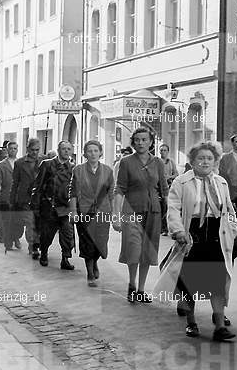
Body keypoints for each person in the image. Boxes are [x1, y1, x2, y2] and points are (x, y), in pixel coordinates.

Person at [166, 141, 237, 340]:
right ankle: (191, 322)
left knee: (218, 281)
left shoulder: (221, 182)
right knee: (190, 282)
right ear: (192, 161)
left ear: (215, 161)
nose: (205, 162)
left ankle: (220, 326)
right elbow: (173, 209)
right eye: (201, 158)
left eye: (209, 158)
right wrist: (179, 231)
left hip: (216, 236)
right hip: (192, 236)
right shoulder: (181, 182)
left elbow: (230, 210)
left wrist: (232, 229)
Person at [113, 128, 168, 302]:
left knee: (147, 251)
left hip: (153, 211)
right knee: (134, 249)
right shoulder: (126, 162)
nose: (141, 143)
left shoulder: (158, 162)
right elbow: (119, 189)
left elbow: (164, 189)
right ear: (133, 142)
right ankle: (132, 285)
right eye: (137, 140)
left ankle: (141, 290)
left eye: (144, 140)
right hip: (131, 211)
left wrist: (172, 213)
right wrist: (116, 216)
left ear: (151, 142)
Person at [68, 141, 114, 287]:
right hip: (84, 212)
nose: (93, 154)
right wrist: (74, 211)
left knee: (100, 242)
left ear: (100, 153)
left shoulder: (108, 171)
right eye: (89, 151)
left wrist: (114, 213)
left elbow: (111, 193)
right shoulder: (78, 170)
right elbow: (73, 192)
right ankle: (90, 272)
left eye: (95, 151)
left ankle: (94, 262)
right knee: (87, 242)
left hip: (103, 212)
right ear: (85, 154)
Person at [32, 140, 75, 270]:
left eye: (69, 149)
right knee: (47, 234)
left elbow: (76, 189)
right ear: (58, 150)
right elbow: (38, 185)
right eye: (63, 149)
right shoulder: (47, 164)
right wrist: (35, 205)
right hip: (49, 205)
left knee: (68, 234)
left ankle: (65, 259)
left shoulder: (73, 168)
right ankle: (44, 253)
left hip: (66, 207)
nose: (66, 151)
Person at [11, 138, 42, 259]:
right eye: (32, 150)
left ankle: (37, 243)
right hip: (25, 198)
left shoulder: (43, 161)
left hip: (39, 197)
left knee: (39, 223)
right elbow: (15, 183)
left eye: (37, 150)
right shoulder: (19, 163)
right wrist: (12, 200)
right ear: (28, 149)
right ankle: (32, 246)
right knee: (30, 222)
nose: (35, 152)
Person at [0, 141, 20, 252]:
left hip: (18, 197)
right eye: (11, 148)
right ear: (7, 150)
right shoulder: (0, 166)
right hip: (6, 196)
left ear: (17, 150)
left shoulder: (21, 163)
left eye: (15, 148)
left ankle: (16, 237)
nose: (13, 150)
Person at [159, 144, 178, 235]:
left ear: (168, 151)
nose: (163, 152)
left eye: (164, 150)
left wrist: (169, 177)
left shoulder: (171, 162)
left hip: (169, 186)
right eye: (161, 150)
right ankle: (161, 228)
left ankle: (166, 228)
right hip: (159, 188)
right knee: (161, 208)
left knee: (167, 207)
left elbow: (176, 174)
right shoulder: (157, 161)